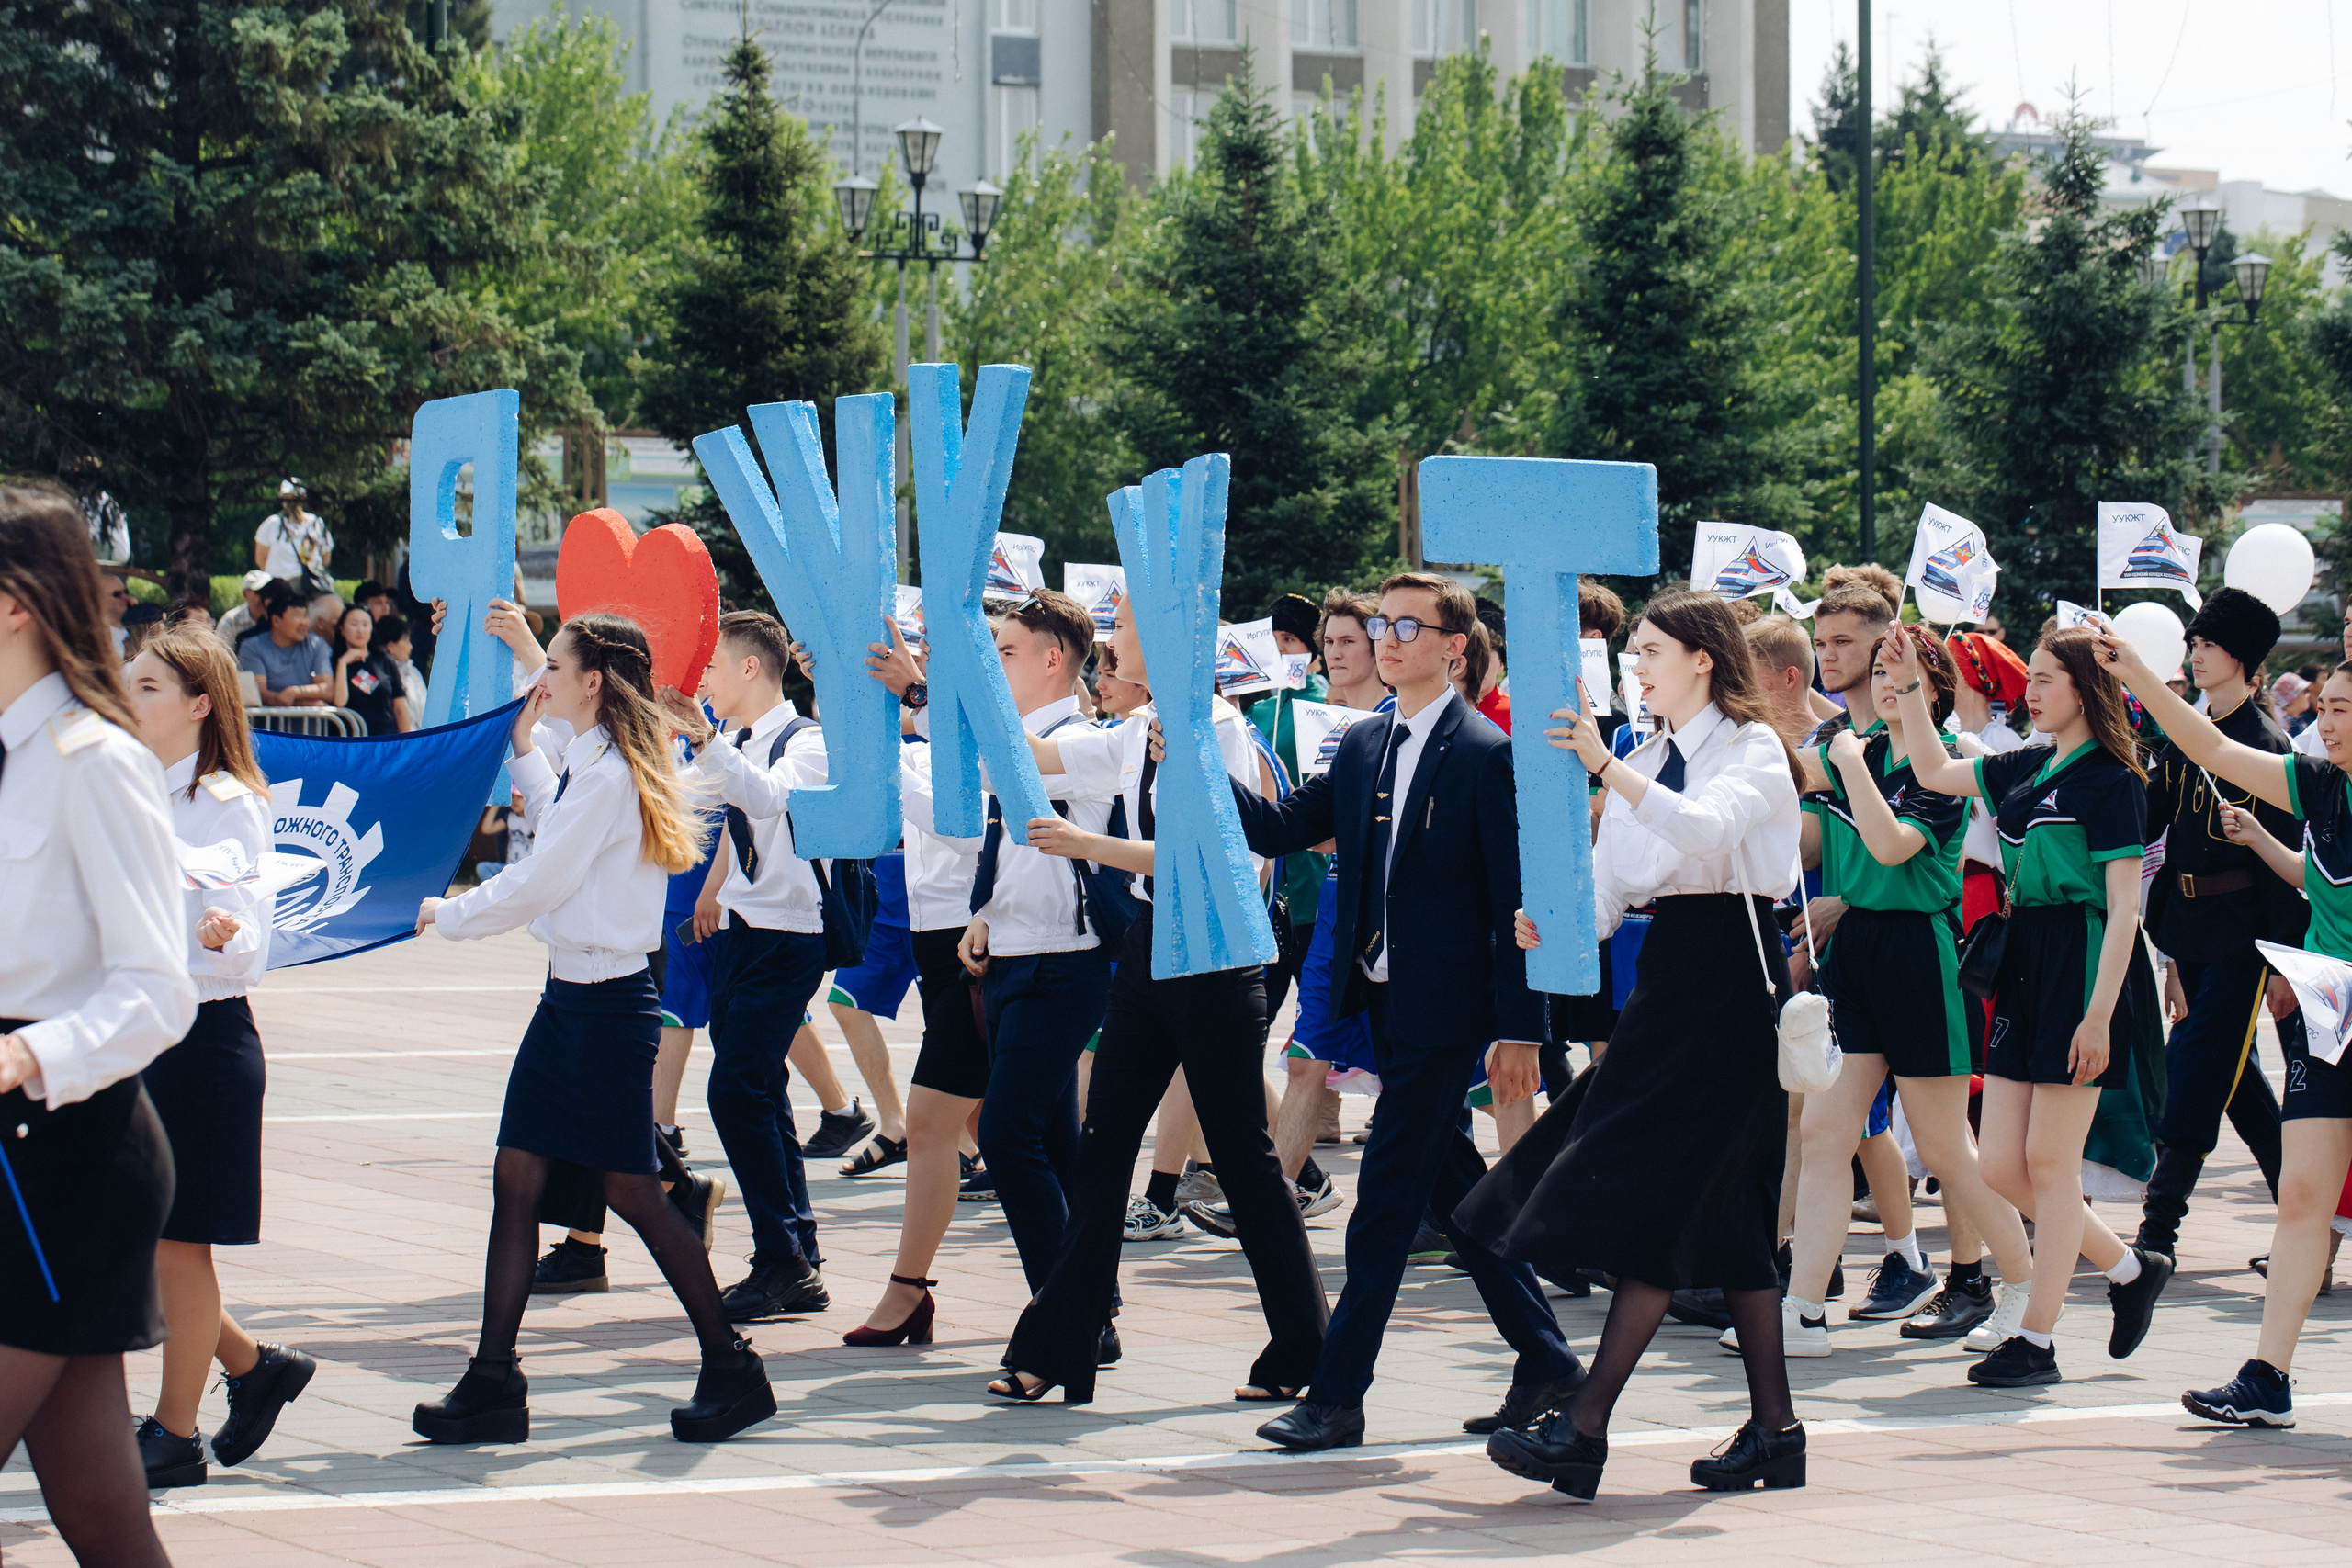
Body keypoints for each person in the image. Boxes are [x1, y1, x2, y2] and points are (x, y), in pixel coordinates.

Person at [1224, 572, 1577, 1454]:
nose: (1386, 637)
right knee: (1461, 1193)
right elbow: (1275, 829)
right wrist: (1197, 758)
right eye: (1381, 622)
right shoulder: (1363, 742)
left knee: (1379, 1206)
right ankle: (1547, 1360)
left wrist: (1520, 1025)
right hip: (1378, 999)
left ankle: (1338, 1395)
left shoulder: (1485, 751)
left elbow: (1514, 898)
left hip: (1448, 1009)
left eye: (1406, 625)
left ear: (1453, 648)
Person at [1468, 589, 1804, 1500]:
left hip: (1735, 987)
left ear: (1702, 656)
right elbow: (1613, 889)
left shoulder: (1752, 745)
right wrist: (1556, 925)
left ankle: (1584, 1425)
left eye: (1652, 651)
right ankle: (1774, 1431)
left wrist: (1603, 768)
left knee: (1663, 1200)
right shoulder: (1646, 752)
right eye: (1638, 654)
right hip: (1669, 984)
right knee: (1725, 1216)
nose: (1639, 667)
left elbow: (1703, 829)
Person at [409, 613, 773, 1445]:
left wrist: (448, 911)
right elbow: (557, 813)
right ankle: (493, 1378)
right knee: (518, 1177)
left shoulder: (611, 772)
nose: (545, 678)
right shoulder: (597, 759)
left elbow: (542, 877)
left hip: (608, 1007)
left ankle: (731, 1362)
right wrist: (525, 745)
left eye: (556, 665)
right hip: (570, 1000)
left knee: (632, 1191)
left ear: (593, 682)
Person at [983, 592, 1329, 1404]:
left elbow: (1223, 859)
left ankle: (1304, 1348)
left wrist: (1086, 844)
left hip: (1214, 955)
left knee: (1244, 1159)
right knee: (1104, 1149)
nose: (1112, 639)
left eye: (1127, 625)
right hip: (1147, 950)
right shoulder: (1137, 728)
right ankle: (1060, 1342)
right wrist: (955, 682)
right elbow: (1033, 757)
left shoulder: (1222, 730)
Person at [1879, 625, 2173, 1387]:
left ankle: (2036, 1339)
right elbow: (1936, 768)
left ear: (2085, 688)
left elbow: (2124, 908)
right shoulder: (2023, 764)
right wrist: (1912, 685)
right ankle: (2129, 1266)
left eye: (2046, 679)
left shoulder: (2113, 778)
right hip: (2022, 956)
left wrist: (2101, 1013)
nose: (2031, 691)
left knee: (2049, 1164)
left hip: (2083, 958)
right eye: (2031, 678)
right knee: (2002, 1165)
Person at [1738, 626, 2037, 1362]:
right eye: (1876, 669)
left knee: (1943, 1144)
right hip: (1857, 949)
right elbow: (1783, 771)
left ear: (1931, 687)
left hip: (1917, 950)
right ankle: (1803, 1306)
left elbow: (1891, 845)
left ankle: (2026, 1285)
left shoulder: (1945, 768)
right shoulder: (1856, 750)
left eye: (1897, 671)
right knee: (1822, 1131)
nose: (1880, 681)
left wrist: (1849, 763)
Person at [0, 487, 197, 1566]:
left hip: (68, 1156)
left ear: (18, 603)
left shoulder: (97, 763)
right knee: (102, 1511)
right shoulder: (11, 760)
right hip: (17, 1159)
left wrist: (27, 1052)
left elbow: (157, 992)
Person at [2091, 626, 2352, 1427]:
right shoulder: (2319, 784)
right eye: (2329, 705)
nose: (2327, 719)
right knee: (2303, 1192)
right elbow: (2204, 741)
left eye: (2344, 709)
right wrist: (2133, 666)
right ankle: (2268, 1376)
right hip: (2330, 1007)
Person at [120, 631, 319, 1488]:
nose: (130, 696)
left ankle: (175, 1432)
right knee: (147, 1237)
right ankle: (251, 1365)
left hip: (202, 1041)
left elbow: (241, 949)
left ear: (200, 703)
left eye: (148, 684)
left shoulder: (227, 801)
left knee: (177, 1245)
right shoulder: (132, 792)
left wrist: (208, 928)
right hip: (147, 1038)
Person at [660, 612, 837, 1322]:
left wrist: (703, 737)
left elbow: (767, 799)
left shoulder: (807, 741)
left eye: (712, 667)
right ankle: (798, 1250)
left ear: (752, 669)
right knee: (759, 1091)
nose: (703, 679)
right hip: (741, 929)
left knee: (734, 1091)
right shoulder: (731, 738)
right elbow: (713, 809)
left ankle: (782, 1258)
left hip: (790, 934)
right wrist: (712, 891)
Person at [945, 591, 1122, 1303]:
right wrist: (986, 911)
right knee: (1053, 1144)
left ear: (1054, 660)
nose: (995, 664)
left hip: (1064, 963)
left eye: (1006, 652)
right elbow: (1014, 839)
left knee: (1008, 1137)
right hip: (1016, 957)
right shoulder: (1020, 733)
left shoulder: (1075, 740)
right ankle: (1093, 1304)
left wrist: (923, 694)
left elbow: (1008, 770)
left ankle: (1063, 1308)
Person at [1204, 590, 1390, 1241]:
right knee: (1309, 1055)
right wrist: (1204, 762)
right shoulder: (1347, 729)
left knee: (1438, 1086)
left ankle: (1496, 1218)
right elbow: (1287, 825)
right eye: (1329, 642)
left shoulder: (1402, 723)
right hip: (1339, 910)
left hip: (1395, 920)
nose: (1336, 654)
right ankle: (1272, 1203)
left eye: (1350, 643)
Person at [2132, 587, 2298, 1269]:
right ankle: (2313, 1216)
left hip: (2245, 935)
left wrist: (2287, 963)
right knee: (2238, 1082)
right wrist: (2168, 954)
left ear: (2243, 658)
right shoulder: (2181, 735)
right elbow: (2154, 828)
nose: (2194, 655)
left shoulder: (2268, 746)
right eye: (2192, 644)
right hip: (2189, 927)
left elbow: (2285, 869)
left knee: (2197, 1070)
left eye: (2207, 645)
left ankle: (2156, 1235)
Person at [842, 621, 991, 1345]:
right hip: (943, 946)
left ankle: (907, 1291)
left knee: (944, 1125)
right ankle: (1080, 1294)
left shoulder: (1004, 734)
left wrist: (891, 762)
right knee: (989, 1130)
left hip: (987, 946)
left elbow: (972, 832)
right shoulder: (938, 735)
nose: (920, 660)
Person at [236, 580, 332, 709]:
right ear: (276, 621)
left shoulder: (316, 644)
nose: (304, 622)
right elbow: (259, 694)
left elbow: (327, 689)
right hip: (268, 727)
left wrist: (294, 692)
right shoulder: (252, 647)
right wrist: (307, 703)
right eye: (297, 615)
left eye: (305, 615)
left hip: (311, 728)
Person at [327, 605, 413, 735]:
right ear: (342, 629)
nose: (360, 630)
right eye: (354, 624)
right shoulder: (332, 661)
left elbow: (399, 707)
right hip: (350, 742)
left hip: (384, 741)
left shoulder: (385, 660)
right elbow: (340, 702)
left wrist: (407, 742)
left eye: (365, 624)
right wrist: (343, 662)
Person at [254, 479, 331, 587]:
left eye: (293, 499)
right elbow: (260, 559)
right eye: (286, 498)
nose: (289, 503)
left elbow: (325, 558)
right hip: (281, 588)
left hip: (311, 586)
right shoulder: (272, 524)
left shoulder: (317, 524)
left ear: (303, 499)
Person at [377, 614, 429, 724]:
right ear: (390, 646)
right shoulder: (383, 676)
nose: (411, 647)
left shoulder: (413, 672)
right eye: (405, 640)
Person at [216, 570, 274, 649]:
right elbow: (221, 655)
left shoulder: (280, 618)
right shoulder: (231, 621)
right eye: (260, 591)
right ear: (245, 595)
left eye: (270, 591)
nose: (266, 596)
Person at [98, 571, 131, 656]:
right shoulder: (96, 637)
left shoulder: (136, 630)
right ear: (99, 599)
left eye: (126, 592)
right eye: (117, 594)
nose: (125, 598)